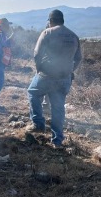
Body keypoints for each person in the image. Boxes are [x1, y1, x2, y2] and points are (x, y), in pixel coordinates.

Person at [27, 9, 82, 148]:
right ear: (62, 20)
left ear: (51, 21)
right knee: (58, 108)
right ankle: (57, 140)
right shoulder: (74, 36)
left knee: (33, 92)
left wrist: (39, 69)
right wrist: (70, 71)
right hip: (64, 78)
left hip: (47, 75)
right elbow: (78, 58)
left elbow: (37, 54)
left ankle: (38, 124)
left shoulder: (47, 33)